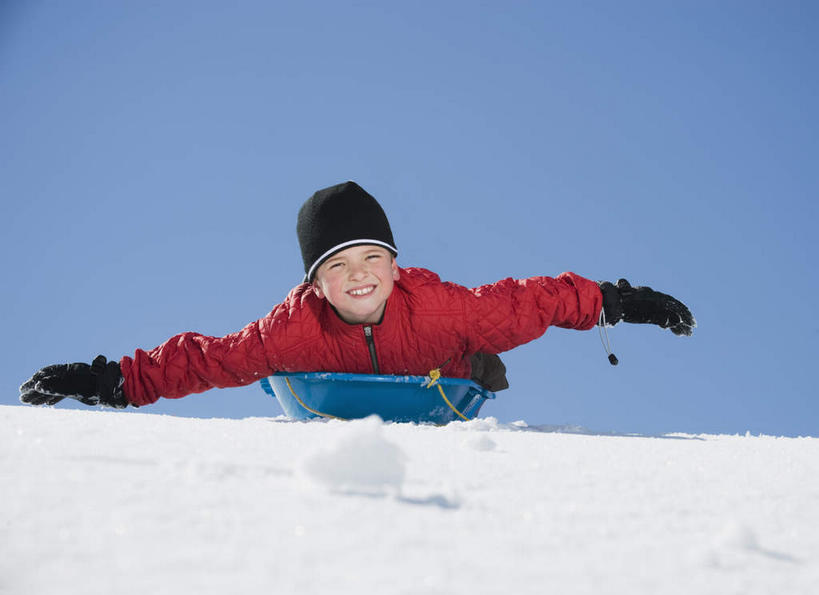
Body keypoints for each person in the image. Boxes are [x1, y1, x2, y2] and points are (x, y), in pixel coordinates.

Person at [19, 181, 695, 409]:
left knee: (485, 344)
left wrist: (622, 300)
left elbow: (537, 299)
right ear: (315, 282)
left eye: (375, 257)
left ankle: (471, 371)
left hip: (439, 385)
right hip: (333, 390)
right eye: (340, 265)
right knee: (262, 366)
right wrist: (109, 379)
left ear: (397, 266)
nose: (361, 274)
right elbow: (206, 358)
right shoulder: (291, 327)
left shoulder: (439, 305)